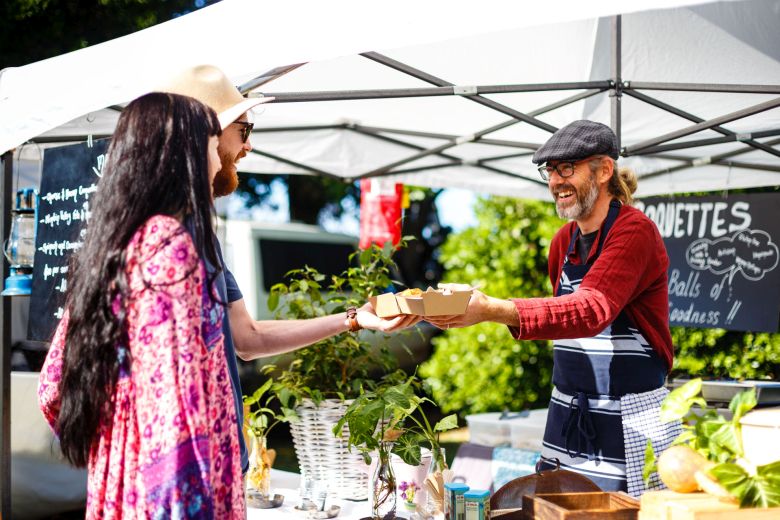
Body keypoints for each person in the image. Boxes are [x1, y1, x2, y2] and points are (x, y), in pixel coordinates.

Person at [160, 65, 420, 474]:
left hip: (215, 471)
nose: (248, 147)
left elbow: (247, 338)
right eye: (243, 130)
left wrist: (356, 319)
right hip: (187, 479)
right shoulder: (165, 240)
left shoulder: (197, 235)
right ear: (205, 137)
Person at [427, 120, 681, 496]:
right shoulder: (564, 241)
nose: (556, 181)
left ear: (604, 170)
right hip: (567, 418)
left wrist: (493, 310)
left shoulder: (635, 231)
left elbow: (590, 309)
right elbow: (565, 323)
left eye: (567, 168)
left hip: (628, 422)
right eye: (550, 170)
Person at [38, 92, 245, 517]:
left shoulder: (113, 246)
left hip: (120, 482)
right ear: (181, 154)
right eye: (211, 144)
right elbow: (175, 416)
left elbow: (52, 387)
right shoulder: (168, 246)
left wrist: (116, 434)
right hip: (164, 500)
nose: (218, 160)